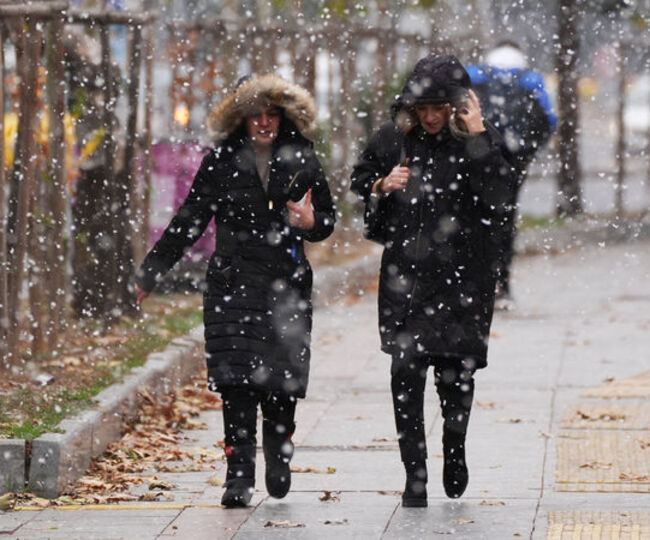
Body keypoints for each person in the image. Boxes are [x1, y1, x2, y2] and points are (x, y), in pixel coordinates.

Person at [134, 74, 336, 507]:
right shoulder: (220, 161)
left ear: (284, 117)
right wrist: (150, 273)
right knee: (237, 384)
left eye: (271, 114)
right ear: (239, 119)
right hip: (233, 284)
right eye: (255, 115)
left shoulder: (303, 158)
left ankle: (279, 452)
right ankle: (238, 476)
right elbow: (189, 220)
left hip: (286, 286)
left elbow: (327, 221)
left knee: (282, 384)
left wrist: (308, 223)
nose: (264, 123)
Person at [350, 54, 516, 507]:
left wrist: (481, 134)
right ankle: (414, 472)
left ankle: (455, 449)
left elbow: (501, 195)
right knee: (405, 374)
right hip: (407, 277)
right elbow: (360, 180)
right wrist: (383, 186)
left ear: (456, 105)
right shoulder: (395, 138)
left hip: (464, 280)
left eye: (438, 108)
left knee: (455, 376)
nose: (429, 117)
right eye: (422, 108)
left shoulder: (479, 141)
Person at [466, 41, 557, 310]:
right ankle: (501, 285)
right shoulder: (530, 79)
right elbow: (549, 120)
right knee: (504, 219)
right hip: (513, 160)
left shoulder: (474, 75)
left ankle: (470, 284)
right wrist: (527, 151)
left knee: (471, 216)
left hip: (476, 156)